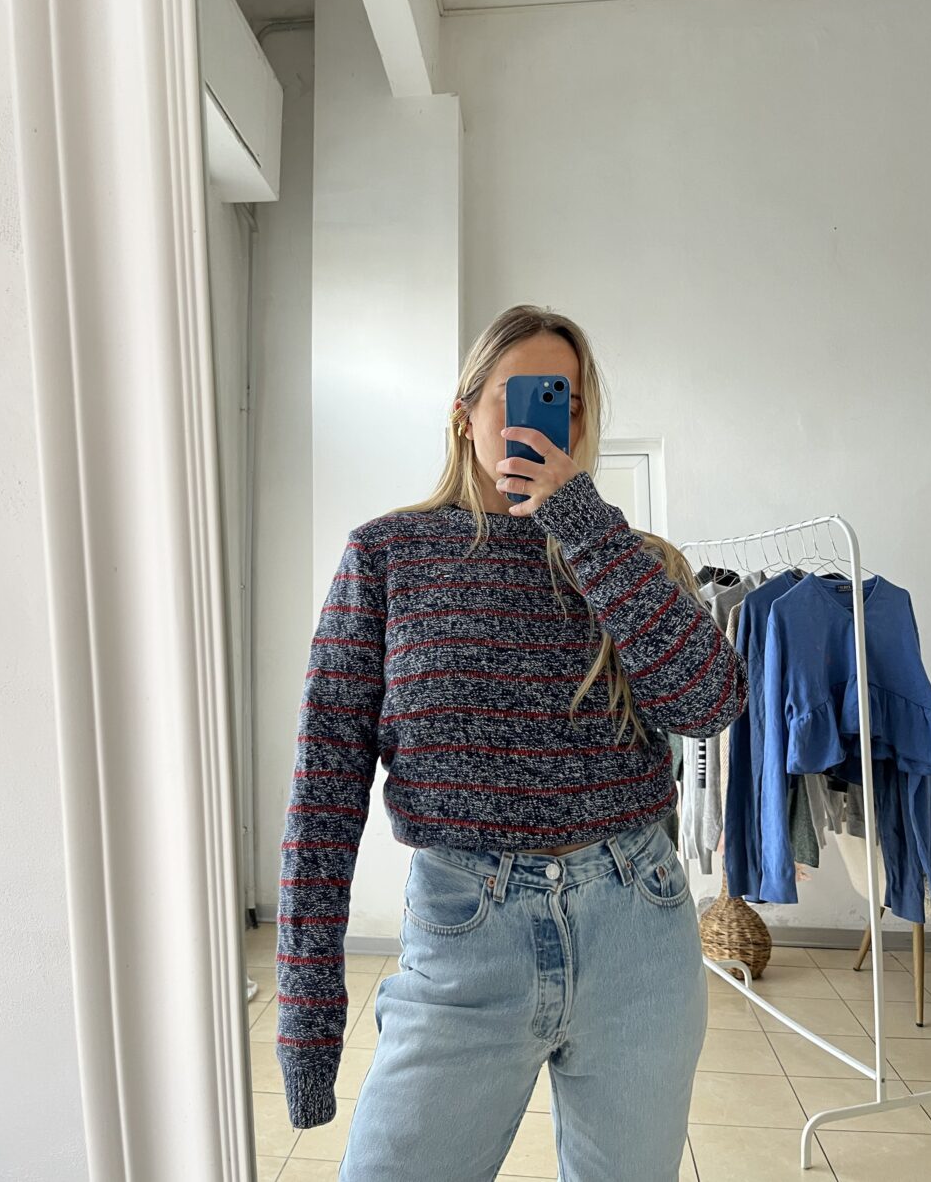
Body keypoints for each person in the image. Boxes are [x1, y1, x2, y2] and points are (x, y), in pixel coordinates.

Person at [277, 304, 749, 1180]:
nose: (546, 418)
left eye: (565, 399)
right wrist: (308, 1014)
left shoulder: (630, 558)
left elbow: (711, 702)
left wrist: (583, 525)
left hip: (638, 934)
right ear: (465, 413)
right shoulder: (387, 557)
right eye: (523, 394)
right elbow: (324, 795)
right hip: (465, 938)